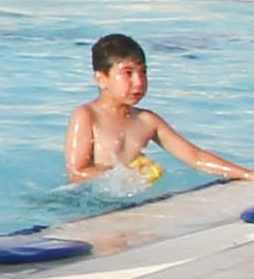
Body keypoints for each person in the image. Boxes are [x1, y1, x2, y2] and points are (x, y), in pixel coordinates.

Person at [65, 33, 253, 185]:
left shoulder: (147, 121)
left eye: (143, 72)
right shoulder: (87, 116)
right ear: (101, 79)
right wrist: (127, 175)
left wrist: (247, 174)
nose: (139, 82)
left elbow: (195, 157)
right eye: (128, 73)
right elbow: (77, 173)